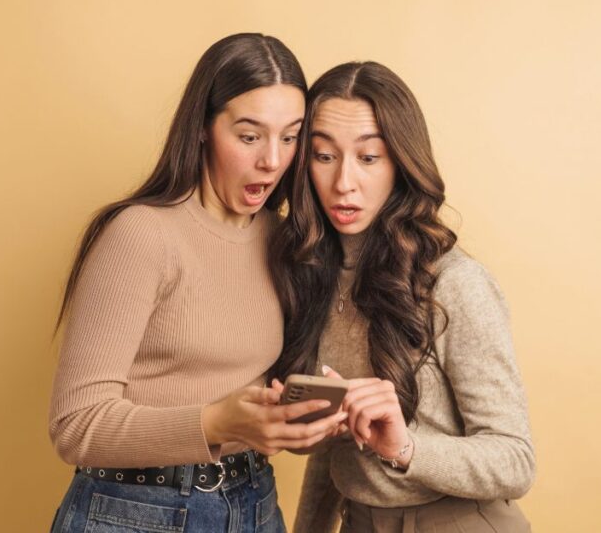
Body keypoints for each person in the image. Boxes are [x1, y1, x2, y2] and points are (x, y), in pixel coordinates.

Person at [47, 33, 347, 533]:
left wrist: (306, 420)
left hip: (253, 502)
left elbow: (259, 405)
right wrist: (214, 422)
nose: (273, 160)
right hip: (134, 511)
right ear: (204, 128)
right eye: (250, 136)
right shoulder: (143, 235)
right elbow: (75, 426)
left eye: (290, 137)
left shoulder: (281, 241)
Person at [269, 61, 536, 533]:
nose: (343, 182)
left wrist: (405, 447)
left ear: (401, 163)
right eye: (324, 156)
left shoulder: (455, 283)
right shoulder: (318, 277)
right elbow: (340, 447)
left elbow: (515, 460)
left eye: (369, 158)